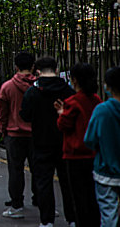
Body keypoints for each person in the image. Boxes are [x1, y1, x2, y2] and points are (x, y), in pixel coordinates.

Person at [20, 56, 76, 227]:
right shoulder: (68, 90)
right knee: (67, 181)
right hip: (64, 141)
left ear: (37, 71)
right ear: (56, 69)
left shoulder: (33, 91)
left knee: (43, 181)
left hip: (41, 142)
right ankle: (72, 218)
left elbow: (25, 115)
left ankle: (47, 220)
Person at [54, 63, 101, 227]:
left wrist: (61, 113)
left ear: (74, 80)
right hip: (94, 154)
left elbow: (63, 125)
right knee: (93, 195)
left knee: (78, 196)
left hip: (74, 155)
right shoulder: (97, 100)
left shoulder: (72, 101)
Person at [0, 52, 37, 218]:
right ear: (33, 66)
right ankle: (43, 201)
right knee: (39, 170)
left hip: (14, 134)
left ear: (15, 66)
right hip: (36, 135)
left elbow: (2, 114)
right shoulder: (39, 86)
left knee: (15, 170)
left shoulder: (7, 86)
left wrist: (3, 131)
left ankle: (16, 205)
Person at [84, 66, 120, 227]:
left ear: (108, 86)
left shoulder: (102, 110)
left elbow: (90, 140)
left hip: (106, 171)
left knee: (108, 213)